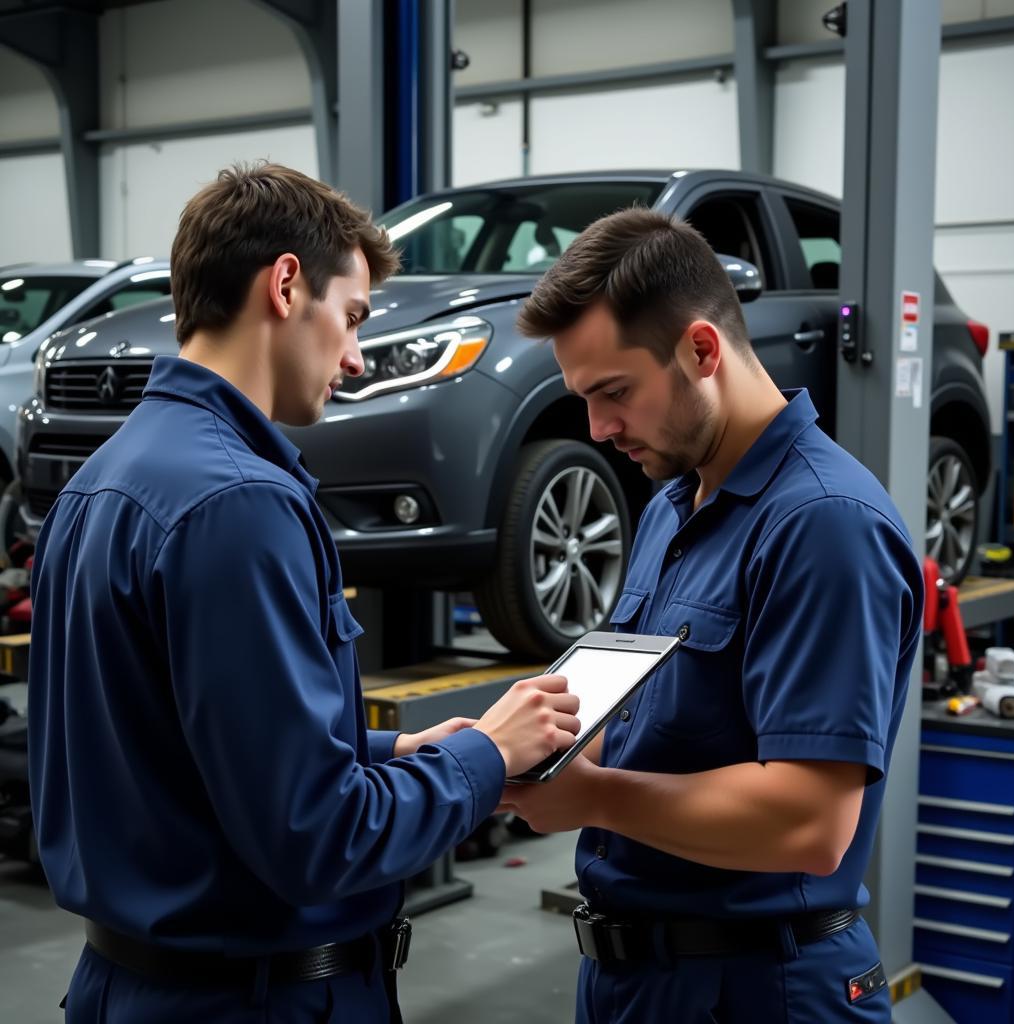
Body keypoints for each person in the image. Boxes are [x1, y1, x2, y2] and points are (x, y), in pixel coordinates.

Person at [28, 162, 581, 1024]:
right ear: (287, 286)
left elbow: (170, 738)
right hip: (251, 1001)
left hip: (126, 988)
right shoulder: (240, 503)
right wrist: (488, 757)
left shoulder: (104, 479)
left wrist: (388, 753)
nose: (356, 357)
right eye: (353, 317)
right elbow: (318, 839)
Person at [502, 208, 923, 1024]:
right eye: (583, 399)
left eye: (614, 393)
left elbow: (808, 823)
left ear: (701, 350)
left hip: (760, 990)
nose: (598, 430)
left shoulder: (823, 524)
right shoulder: (672, 506)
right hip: (641, 982)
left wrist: (594, 798)